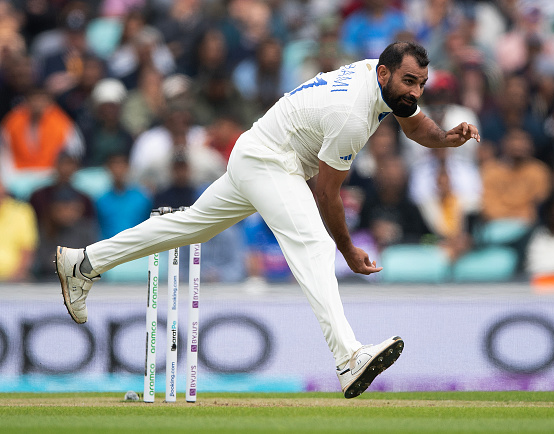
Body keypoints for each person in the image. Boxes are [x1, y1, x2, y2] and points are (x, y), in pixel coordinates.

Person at [55, 41, 480, 399]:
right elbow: (328, 193)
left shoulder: (380, 78)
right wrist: (348, 251)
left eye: (422, 84)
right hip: (270, 161)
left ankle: (83, 263)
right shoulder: (352, 114)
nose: (416, 93)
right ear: (384, 73)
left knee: (188, 225)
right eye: (410, 82)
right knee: (315, 243)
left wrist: (444, 138)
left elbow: (413, 123)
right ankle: (348, 357)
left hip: (259, 152)